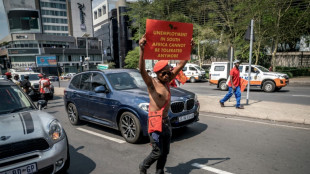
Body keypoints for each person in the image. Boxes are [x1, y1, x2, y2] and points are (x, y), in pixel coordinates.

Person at [138, 34, 194, 174]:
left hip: (166, 122)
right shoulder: (151, 83)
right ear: (157, 73)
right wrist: (142, 50)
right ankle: (143, 166)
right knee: (157, 152)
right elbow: (142, 70)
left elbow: (181, 64)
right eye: (163, 73)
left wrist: (189, 48)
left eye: (168, 72)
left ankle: (160, 171)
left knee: (165, 152)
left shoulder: (168, 79)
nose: (167, 75)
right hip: (155, 122)